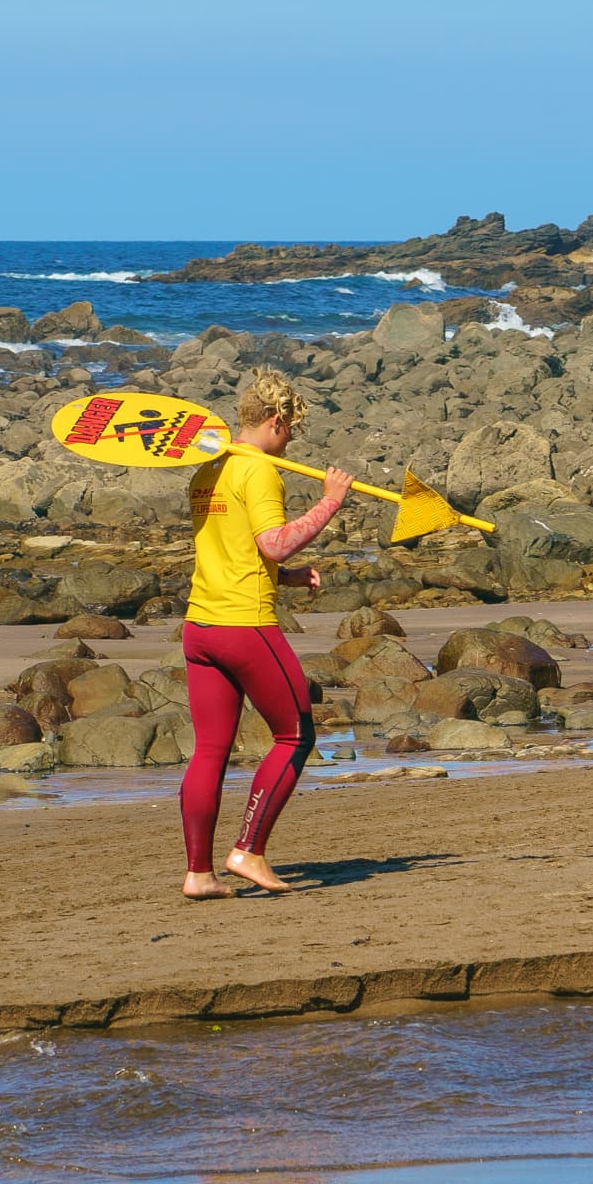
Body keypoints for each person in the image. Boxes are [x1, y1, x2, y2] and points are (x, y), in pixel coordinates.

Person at [179, 368, 352, 900]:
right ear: (277, 421)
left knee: (210, 749)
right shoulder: (258, 472)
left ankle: (198, 874)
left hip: (200, 624)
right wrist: (329, 501)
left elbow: (236, 549)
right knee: (295, 735)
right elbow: (274, 543)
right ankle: (248, 851)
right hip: (243, 625)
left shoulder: (209, 466)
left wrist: (289, 578)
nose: (291, 440)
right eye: (291, 429)